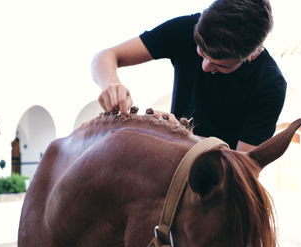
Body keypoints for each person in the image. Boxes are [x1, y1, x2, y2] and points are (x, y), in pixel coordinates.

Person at [91, 0, 286, 152]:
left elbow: (243, 164)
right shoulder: (187, 28)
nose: (205, 67)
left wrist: (183, 136)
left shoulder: (270, 85)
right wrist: (111, 83)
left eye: (219, 65)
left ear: (252, 55)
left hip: (217, 186)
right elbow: (105, 56)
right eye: (201, 53)